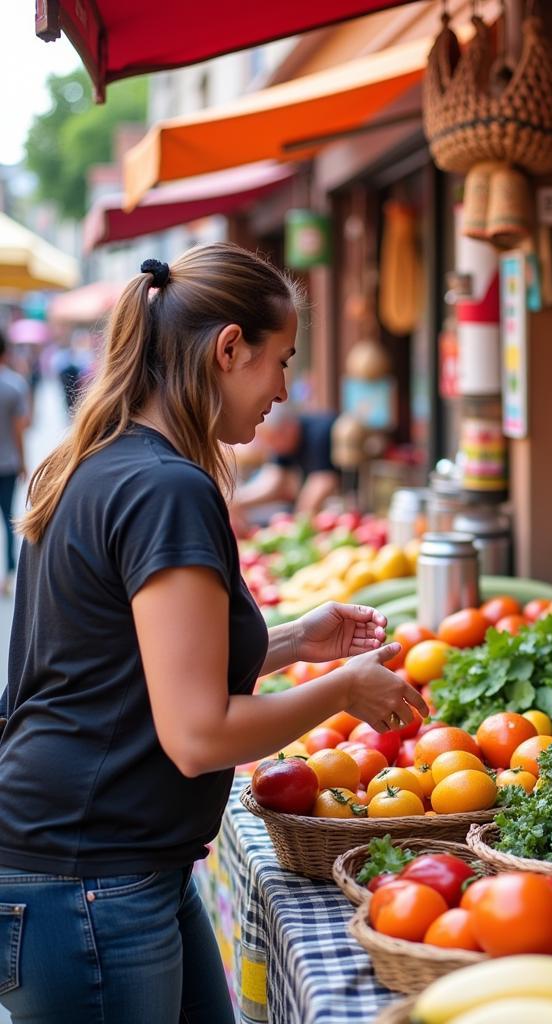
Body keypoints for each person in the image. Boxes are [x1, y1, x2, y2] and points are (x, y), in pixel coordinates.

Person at [0, 245, 428, 1023]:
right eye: (281, 361)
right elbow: (197, 734)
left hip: (99, 866)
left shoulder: (102, 463)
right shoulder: (166, 489)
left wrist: (296, 641)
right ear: (229, 348)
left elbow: (123, 667)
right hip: (88, 879)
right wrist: (342, 689)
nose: (286, 390)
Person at [229, 402, 342, 530]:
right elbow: (273, 482)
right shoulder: (283, 443)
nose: (271, 447)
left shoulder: (319, 432)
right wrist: (238, 501)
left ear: (289, 428)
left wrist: (297, 527)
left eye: (272, 439)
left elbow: (323, 482)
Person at [0, 329, 29, 595]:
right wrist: (23, 462)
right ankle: (7, 576)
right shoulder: (15, 385)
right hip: (7, 464)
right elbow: (21, 428)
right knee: (8, 518)